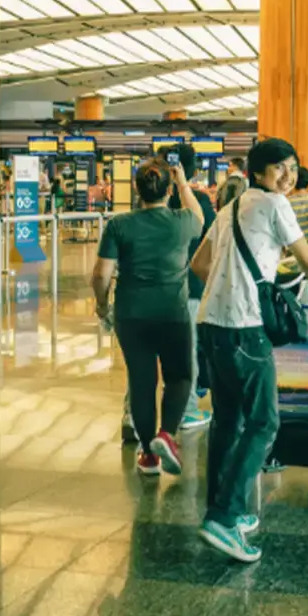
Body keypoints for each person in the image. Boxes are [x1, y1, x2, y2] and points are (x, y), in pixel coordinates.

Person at [190, 138, 308, 564]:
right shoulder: (275, 205)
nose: (288, 176)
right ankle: (224, 516)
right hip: (244, 328)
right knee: (263, 421)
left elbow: (200, 266)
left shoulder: (229, 208)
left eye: (292, 167)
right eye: (279, 168)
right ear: (259, 172)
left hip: (210, 323)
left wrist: (232, 282)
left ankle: (220, 510)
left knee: (227, 421)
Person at [92, 159, 204, 476]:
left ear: (137, 191)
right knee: (180, 376)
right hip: (173, 313)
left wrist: (102, 306)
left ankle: (148, 456)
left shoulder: (120, 224)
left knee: (141, 382)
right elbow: (199, 214)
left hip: (131, 314)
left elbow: (101, 274)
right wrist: (183, 183)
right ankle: (166, 434)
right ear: (169, 190)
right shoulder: (183, 221)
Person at [168, 143, 217, 430]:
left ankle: (135, 414)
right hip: (189, 286)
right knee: (187, 351)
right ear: (195, 169)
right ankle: (186, 410)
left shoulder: (155, 201)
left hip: (155, 289)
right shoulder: (198, 202)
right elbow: (209, 233)